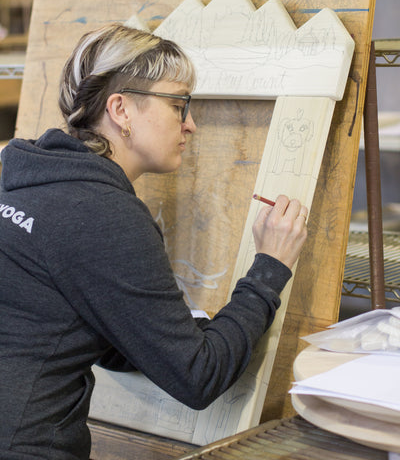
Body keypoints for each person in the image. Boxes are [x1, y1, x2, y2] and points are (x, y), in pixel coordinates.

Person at [0, 23, 308, 460]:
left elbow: (93, 330)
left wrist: (176, 337)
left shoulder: (25, 179)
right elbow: (198, 377)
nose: (191, 125)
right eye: (179, 105)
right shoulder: (102, 213)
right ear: (121, 110)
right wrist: (270, 266)